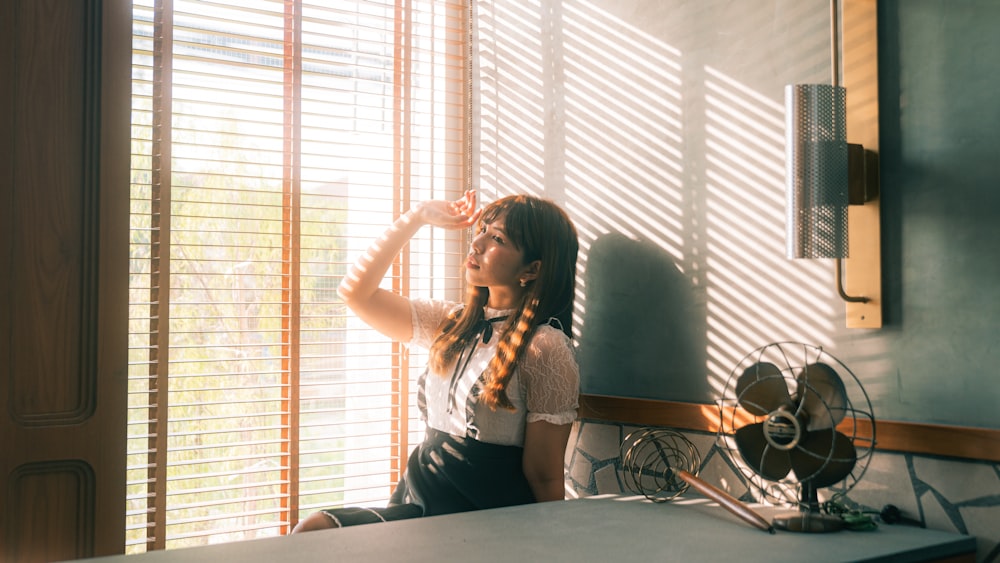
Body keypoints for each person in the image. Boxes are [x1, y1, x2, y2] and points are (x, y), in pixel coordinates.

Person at [292, 190, 580, 532]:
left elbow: (543, 474)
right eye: (483, 229)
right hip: (420, 501)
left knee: (317, 529)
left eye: (498, 237)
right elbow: (355, 293)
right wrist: (416, 216)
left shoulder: (545, 347)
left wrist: (554, 544)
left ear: (531, 269)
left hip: (487, 518)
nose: (478, 243)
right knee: (314, 530)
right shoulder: (451, 321)